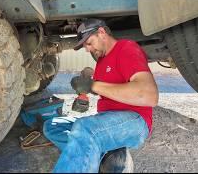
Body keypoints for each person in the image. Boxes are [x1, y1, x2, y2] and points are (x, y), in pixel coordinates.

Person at [43, 18, 159, 173]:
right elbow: (107, 88)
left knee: (84, 129)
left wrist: (93, 85)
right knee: (52, 126)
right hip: (106, 118)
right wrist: (85, 93)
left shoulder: (126, 48)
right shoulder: (102, 62)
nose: (87, 49)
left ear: (102, 33)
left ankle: (91, 153)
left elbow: (149, 95)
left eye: (89, 43)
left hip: (135, 120)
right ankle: (97, 154)